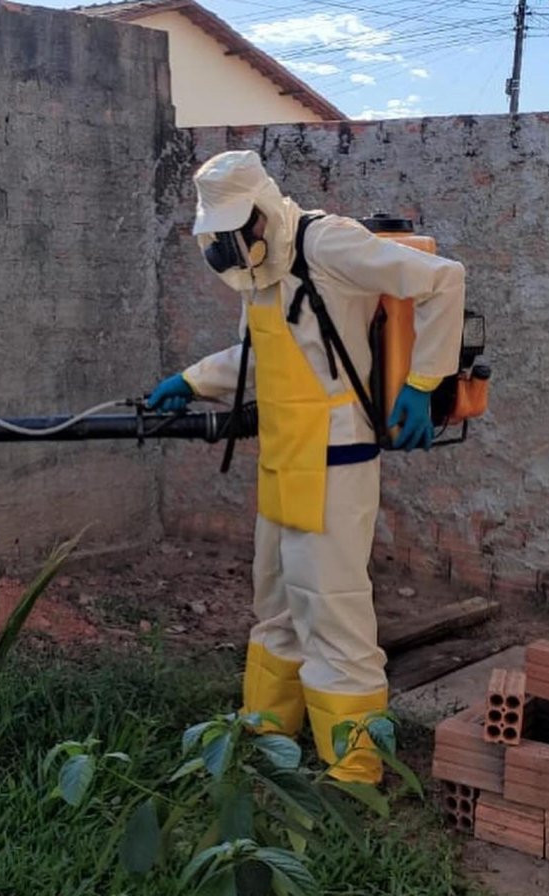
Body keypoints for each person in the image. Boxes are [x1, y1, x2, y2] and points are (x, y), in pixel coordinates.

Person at [148, 151, 465, 784]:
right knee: (276, 603)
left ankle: (353, 770)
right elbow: (256, 356)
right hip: (283, 458)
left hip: (338, 460)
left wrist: (426, 382)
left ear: (261, 214)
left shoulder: (329, 244)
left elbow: (443, 279)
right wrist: (190, 380)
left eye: (236, 233)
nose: (230, 250)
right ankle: (268, 734)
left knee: (331, 608)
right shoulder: (260, 274)